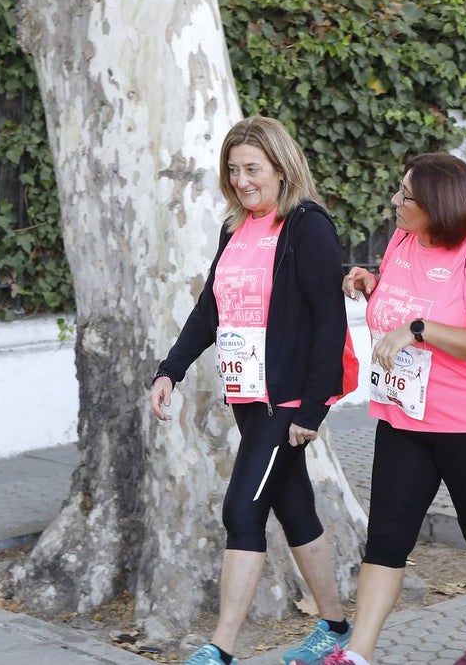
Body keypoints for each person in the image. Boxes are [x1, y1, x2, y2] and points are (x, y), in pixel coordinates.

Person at [148, 116, 353, 665]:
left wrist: (313, 407)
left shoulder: (308, 226)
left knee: (242, 511)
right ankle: (335, 631)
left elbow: (330, 322)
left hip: (285, 403)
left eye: (253, 169)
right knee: (296, 508)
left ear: (282, 169)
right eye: (234, 170)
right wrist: (171, 369)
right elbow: (210, 310)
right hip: (247, 396)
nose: (242, 180)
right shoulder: (234, 230)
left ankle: (221, 648)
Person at [327, 153, 466, 665]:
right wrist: (372, 287)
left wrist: (417, 328)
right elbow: (397, 301)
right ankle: (359, 654)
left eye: (405, 196)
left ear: (436, 205)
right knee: (386, 538)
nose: (395, 201)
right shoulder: (402, 242)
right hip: (403, 417)